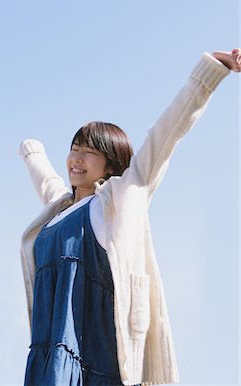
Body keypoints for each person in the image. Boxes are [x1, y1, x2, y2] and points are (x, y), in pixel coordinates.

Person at [19, 49, 241, 386]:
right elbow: (46, 179)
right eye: (74, 148)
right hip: (51, 352)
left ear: (110, 164)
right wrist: (31, 152)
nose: (76, 159)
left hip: (98, 351)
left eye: (88, 152)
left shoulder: (119, 198)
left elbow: (166, 134)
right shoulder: (58, 209)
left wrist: (211, 72)